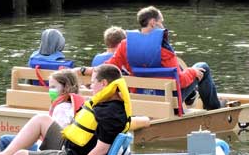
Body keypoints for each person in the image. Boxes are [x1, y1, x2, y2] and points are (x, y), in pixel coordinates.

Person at [0, 64, 131, 155]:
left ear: (103, 83)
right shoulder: (107, 103)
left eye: (93, 82)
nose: (90, 86)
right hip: (72, 149)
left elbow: (101, 150)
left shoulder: (110, 112)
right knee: (41, 119)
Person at [83, 6, 221, 110]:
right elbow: (182, 81)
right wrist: (192, 72)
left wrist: (85, 70)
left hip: (140, 97)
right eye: (162, 22)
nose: (163, 25)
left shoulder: (126, 45)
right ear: (153, 23)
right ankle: (215, 110)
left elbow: (109, 66)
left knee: (189, 70)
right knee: (202, 67)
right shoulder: (163, 48)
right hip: (168, 99)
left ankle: (193, 98)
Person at [0, 69, 85, 152]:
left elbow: (56, 136)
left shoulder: (62, 108)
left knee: (5, 140)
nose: (51, 90)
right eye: (50, 87)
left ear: (66, 87)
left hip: (50, 151)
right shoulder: (71, 105)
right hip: (59, 148)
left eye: (53, 87)